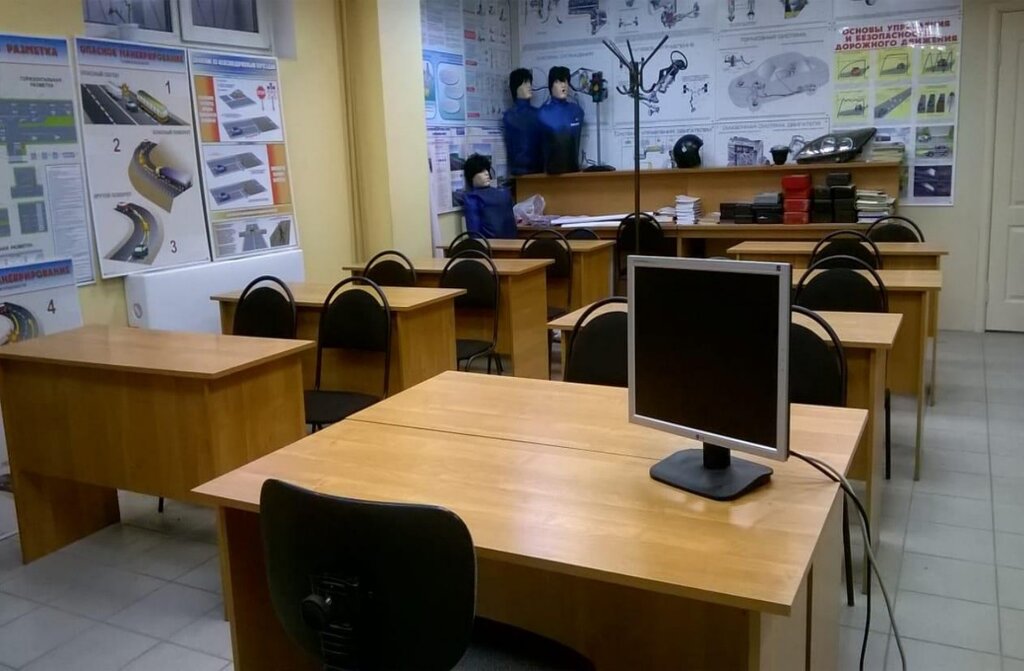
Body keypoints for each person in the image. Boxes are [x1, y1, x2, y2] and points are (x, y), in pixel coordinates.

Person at [537, 66, 584, 174]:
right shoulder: (542, 113)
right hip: (551, 175)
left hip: (574, 173)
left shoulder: (577, 111)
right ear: (551, 86)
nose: (563, 85)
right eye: (558, 82)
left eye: (566, 81)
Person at [460, 153, 516, 238]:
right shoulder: (504, 193)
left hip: (489, 244)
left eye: (487, 170)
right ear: (471, 176)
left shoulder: (472, 198)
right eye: (481, 171)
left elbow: (474, 233)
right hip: (513, 243)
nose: (486, 173)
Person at [502, 68, 543, 176]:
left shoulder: (539, 114)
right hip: (517, 174)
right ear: (516, 87)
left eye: (529, 82)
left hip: (539, 173)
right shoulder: (509, 116)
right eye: (525, 83)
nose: (529, 86)